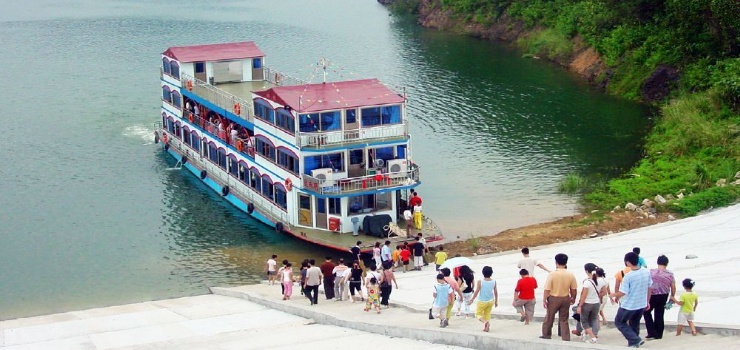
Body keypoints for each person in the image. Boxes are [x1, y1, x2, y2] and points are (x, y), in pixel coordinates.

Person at [610, 252, 652, 348]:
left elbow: (623, 292)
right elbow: (650, 287)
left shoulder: (628, 276)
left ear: (628, 263)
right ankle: (634, 344)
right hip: (641, 303)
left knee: (619, 322)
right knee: (634, 323)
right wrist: (647, 301)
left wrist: (613, 295)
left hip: (629, 305)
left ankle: (635, 340)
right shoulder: (646, 272)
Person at [540, 253, 578, 341]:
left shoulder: (553, 274)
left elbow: (547, 289)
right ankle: (565, 336)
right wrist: (573, 297)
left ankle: (546, 334)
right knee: (564, 319)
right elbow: (573, 289)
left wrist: (544, 299)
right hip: (565, 298)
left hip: (554, 298)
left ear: (556, 262)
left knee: (549, 317)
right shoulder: (570, 274)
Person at [573, 263, 607, 343]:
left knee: (584, 321)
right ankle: (593, 334)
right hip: (596, 303)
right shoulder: (601, 280)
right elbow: (604, 292)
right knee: (594, 319)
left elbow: (583, 296)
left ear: (587, 271)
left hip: (587, 303)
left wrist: (580, 306)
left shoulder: (587, 282)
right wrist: (597, 295)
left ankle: (593, 337)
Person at [644, 255, 676, 339]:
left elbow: (647, 285)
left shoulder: (651, 272)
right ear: (667, 263)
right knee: (659, 314)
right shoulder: (670, 274)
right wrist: (672, 297)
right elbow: (673, 287)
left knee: (646, 312)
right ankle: (659, 334)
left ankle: (651, 332)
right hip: (664, 295)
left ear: (657, 262)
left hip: (652, 295)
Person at [469, 266, 498, 332]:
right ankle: (486, 326)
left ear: (483, 273)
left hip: (482, 301)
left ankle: (485, 323)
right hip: (491, 301)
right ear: (491, 273)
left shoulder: (480, 281)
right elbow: (496, 292)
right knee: (487, 314)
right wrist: (496, 301)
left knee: (478, 314)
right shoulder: (494, 281)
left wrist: (472, 299)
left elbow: (477, 291)